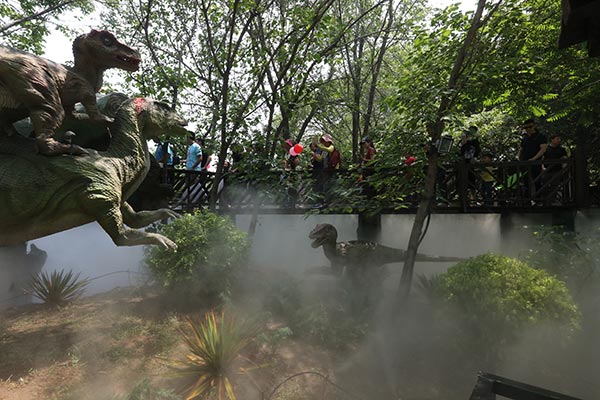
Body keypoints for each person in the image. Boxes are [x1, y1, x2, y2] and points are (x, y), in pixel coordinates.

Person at [519, 118, 547, 199]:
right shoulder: (525, 138)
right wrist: (519, 159)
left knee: (537, 181)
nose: (528, 129)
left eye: (530, 127)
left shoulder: (541, 136)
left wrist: (534, 159)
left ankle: (538, 200)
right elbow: (521, 150)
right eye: (525, 128)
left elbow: (543, 149)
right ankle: (527, 201)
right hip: (524, 163)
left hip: (536, 163)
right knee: (525, 183)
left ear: (534, 126)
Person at [543, 134, 569, 205]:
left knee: (555, 186)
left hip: (557, 171)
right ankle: (545, 201)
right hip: (547, 171)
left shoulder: (562, 149)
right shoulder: (546, 149)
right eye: (557, 139)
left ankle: (552, 201)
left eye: (559, 139)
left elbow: (564, 159)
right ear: (552, 139)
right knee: (545, 186)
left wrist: (564, 168)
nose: (559, 140)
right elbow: (542, 159)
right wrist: (542, 168)